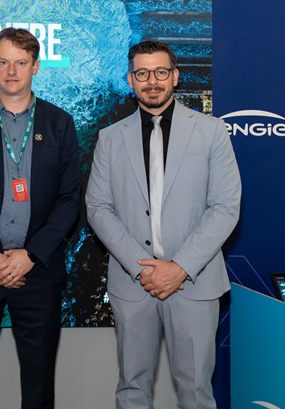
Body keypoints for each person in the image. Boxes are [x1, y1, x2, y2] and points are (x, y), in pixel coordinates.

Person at [86, 40, 241, 408]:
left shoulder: (211, 131)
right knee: (131, 390)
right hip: (133, 283)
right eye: (142, 73)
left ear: (175, 76)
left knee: (196, 392)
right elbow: (98, 208)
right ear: (130, 80)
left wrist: (179, 267)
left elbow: (225, 207)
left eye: (159, 72)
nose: (151, 81)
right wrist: (143, 269)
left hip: (194, 283)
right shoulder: (110, 139)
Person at [0, 28, 81, 408]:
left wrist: (30, 255)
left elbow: (70, 200)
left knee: (38, 378)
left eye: (20, 63)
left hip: (38, 270)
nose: (11, 71)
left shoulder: (59, 123)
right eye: (3, 62)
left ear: (35, 67)